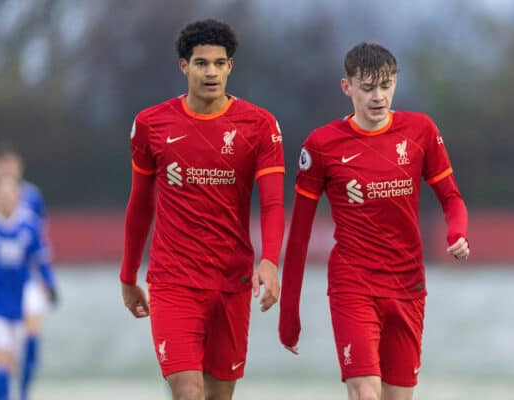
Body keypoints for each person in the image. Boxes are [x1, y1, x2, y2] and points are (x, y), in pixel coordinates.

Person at [279, 42, 470, 400]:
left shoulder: (421, 131)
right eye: (367, 88)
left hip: (407, 284)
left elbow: (452, 198)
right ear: (347, 87)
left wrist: (457, 233)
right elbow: (300, 237)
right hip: (353, 283)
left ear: (395, 81)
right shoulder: (321, 146)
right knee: (366, 393)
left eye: (385, 86)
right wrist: (289, 314)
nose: (378, 97)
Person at [119, 19, 285, 400]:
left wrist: (270, 261)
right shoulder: (151, 124)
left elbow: (273, 203)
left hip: (232, 281)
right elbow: (140, 204)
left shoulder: (260, 126)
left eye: (219, 63)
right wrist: (129, 275)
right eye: (201, 63)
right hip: (173, 280)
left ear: (230, 67)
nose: (211, 72)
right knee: (187, 390)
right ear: (184, 66)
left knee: (217, 395)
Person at [0, 146, 57, 400]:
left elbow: (40, 253)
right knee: (2, 362)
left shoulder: (29, 214)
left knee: (30, 338)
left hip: (25, 284)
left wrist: (49, 283)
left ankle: (24, 393)